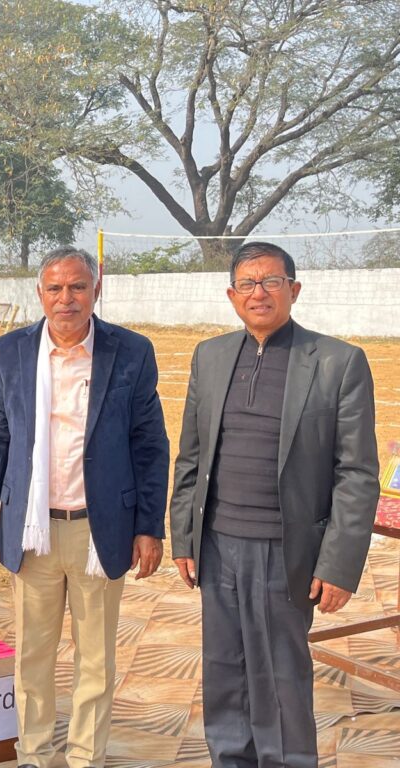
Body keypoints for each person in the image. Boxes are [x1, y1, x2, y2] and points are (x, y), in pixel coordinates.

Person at [169, 241, 379, 768]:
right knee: (225, 671)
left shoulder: (337, 362)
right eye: (247, 283)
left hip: (287, 551)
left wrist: (338, 564)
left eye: (271, 281)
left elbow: (357, 473)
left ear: (294, 289)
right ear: (232, 295)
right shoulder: (210, 356)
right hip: (217, 545)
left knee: (281, 679)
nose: (258, 293)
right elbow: (191, 455)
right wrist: (184, 539)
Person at [0, 247, 169, 768]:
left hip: (101, 530)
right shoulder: (10, 352)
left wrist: (149, 526)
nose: (66, 299)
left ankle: (85, 757)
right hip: (32, 529)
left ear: (95, 290)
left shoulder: (131, 351)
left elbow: (149, 443)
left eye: (78, 287)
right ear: (40, 294)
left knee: (96, 660)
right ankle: (33, 754)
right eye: (55, 288)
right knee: (32, 657)